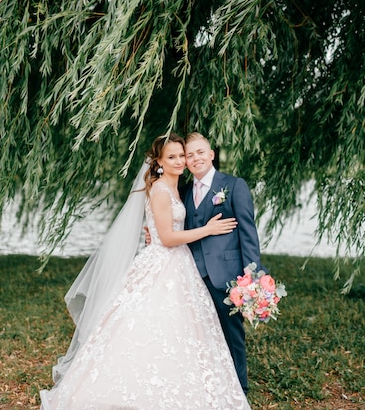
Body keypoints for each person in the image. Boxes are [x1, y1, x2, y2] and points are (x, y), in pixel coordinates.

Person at [40, 134, 252, 410]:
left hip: (182, 264)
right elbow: (166, 237)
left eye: (182, 156)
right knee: (148, 324)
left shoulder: (182, 189)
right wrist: (207, 229)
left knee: (187, 327)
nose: (180, 161)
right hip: (163, 263)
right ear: (159, 162)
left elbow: (167, 229)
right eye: (173, 157)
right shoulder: (161, 190)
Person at [181, 132, 264, 395]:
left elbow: (248, 234)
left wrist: (251, 277)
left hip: (225, 273)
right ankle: (207, 380)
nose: (196, 158)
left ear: (211, 154)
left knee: (231, 330)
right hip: (191, 273)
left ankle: (239, 386)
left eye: (200, 152)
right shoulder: (184, 191)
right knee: (199, 330)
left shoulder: (233, 185)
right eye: (190, 154)